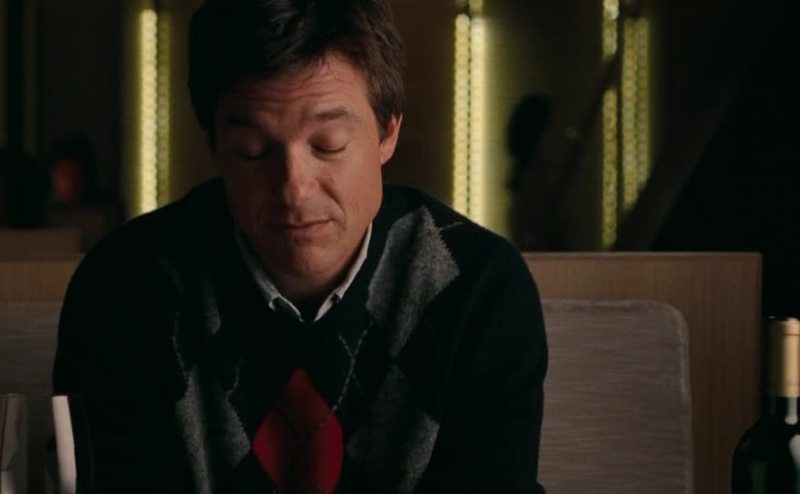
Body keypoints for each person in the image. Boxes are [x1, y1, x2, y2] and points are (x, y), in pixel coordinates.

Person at [52, 0, 548, 492]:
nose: (293, 189)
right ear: (214, 145)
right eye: (254, 152)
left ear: (387, 132)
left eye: (328, 144)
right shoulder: (125, 288)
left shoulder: (475, 289)